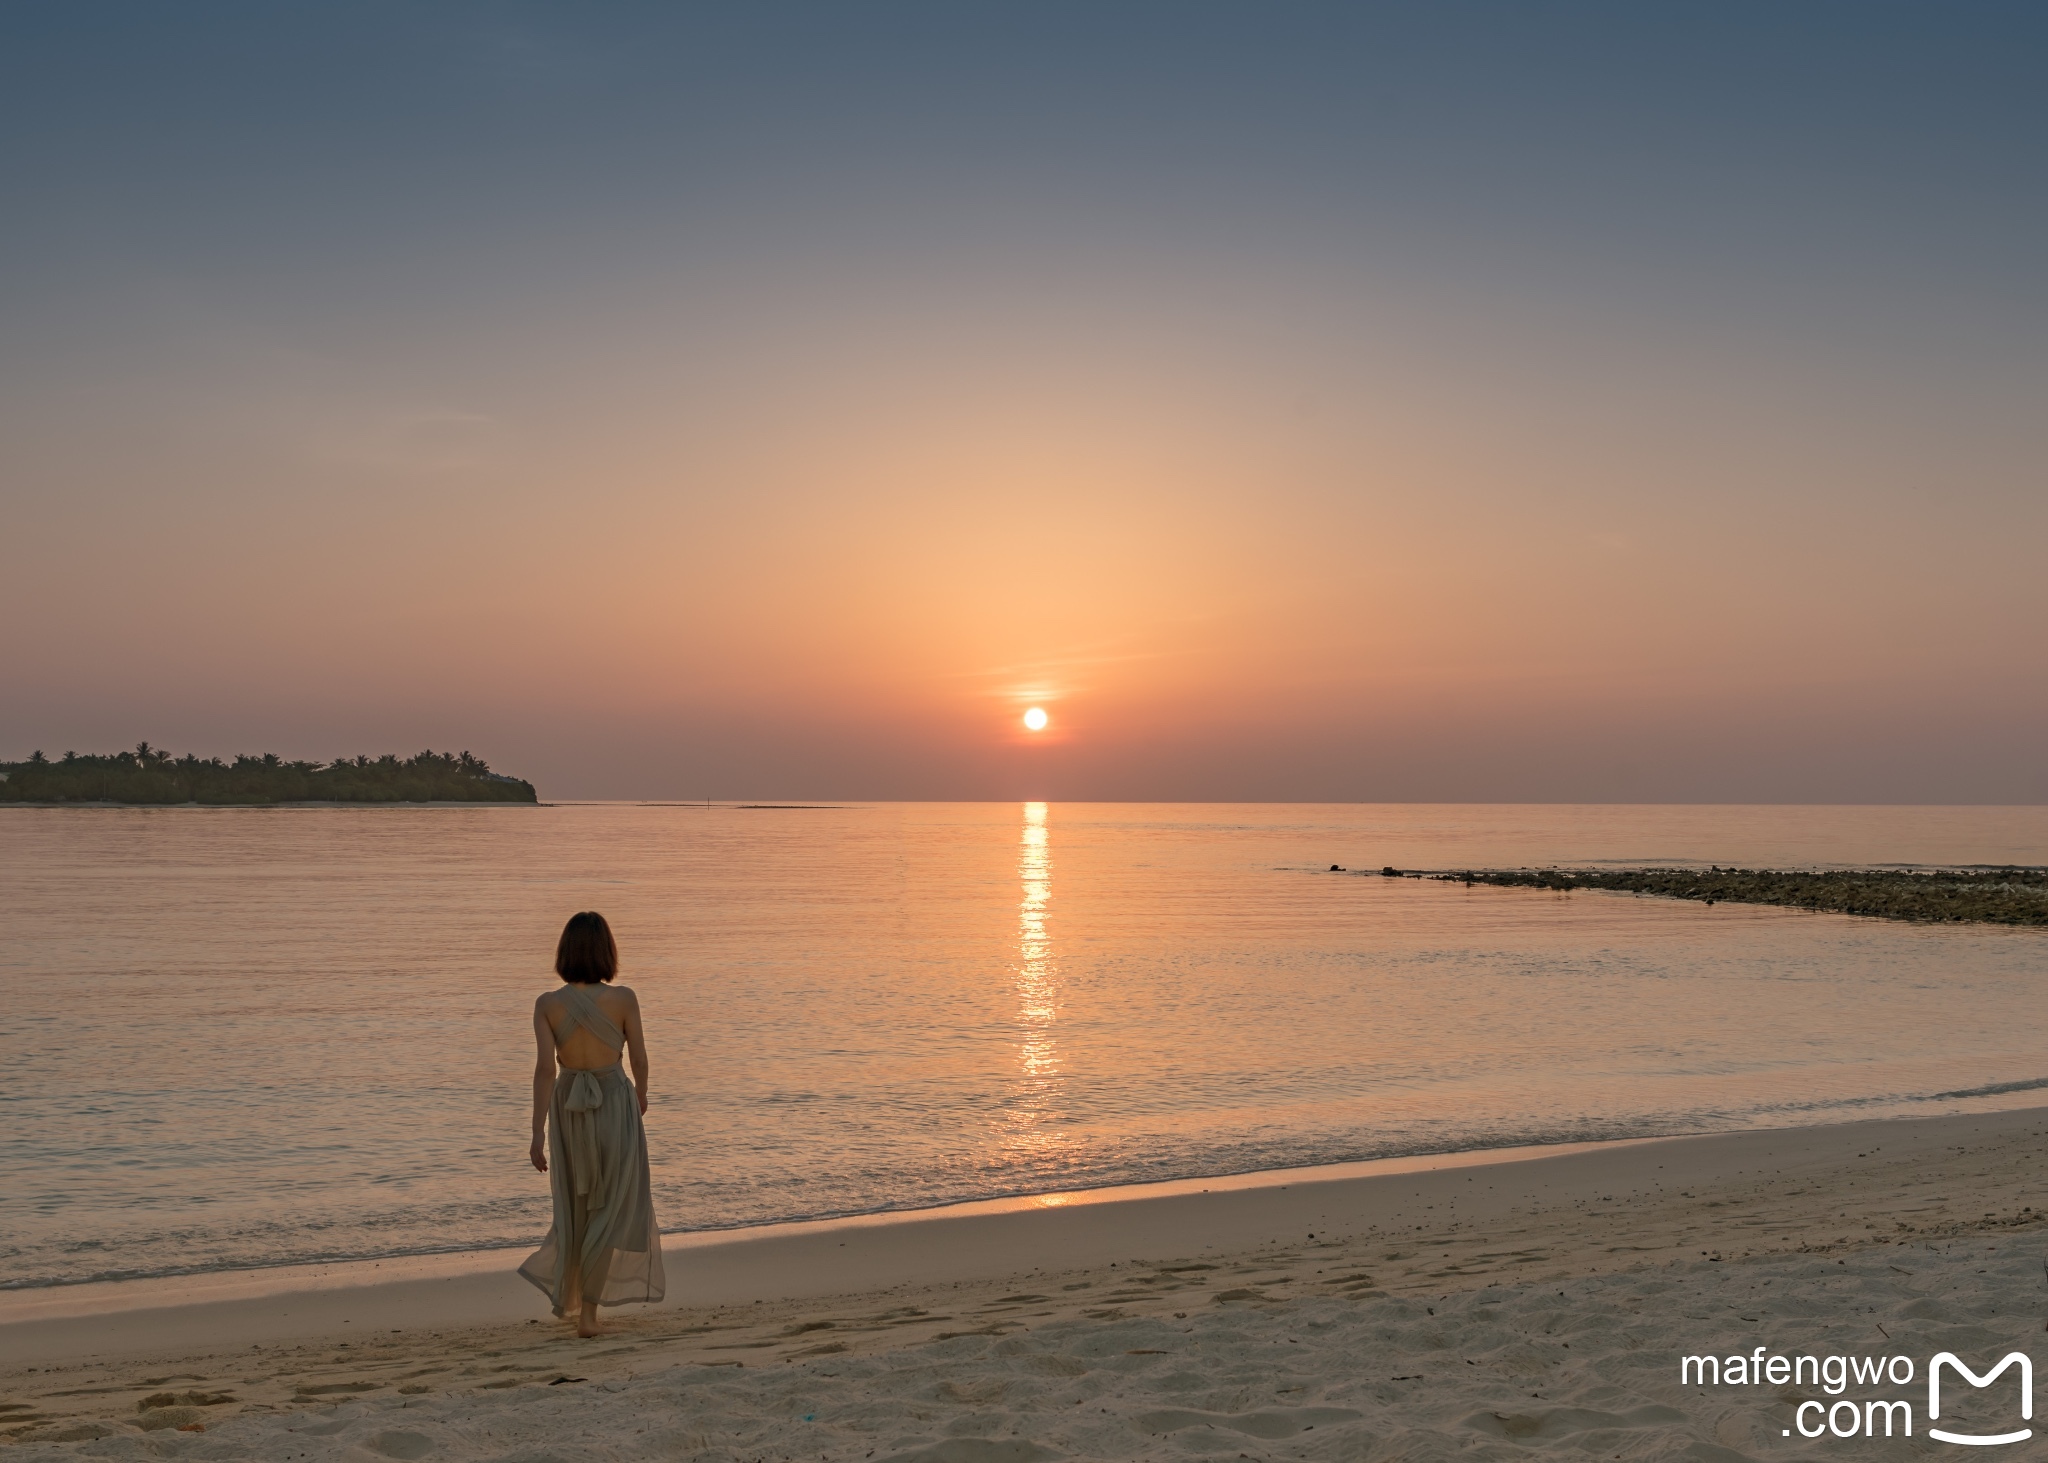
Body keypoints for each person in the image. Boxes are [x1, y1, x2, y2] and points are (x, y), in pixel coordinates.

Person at [517, 911, 666, 1335]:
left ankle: (576, 1303)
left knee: (576, 1207)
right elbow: (638, 1058)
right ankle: (589, 1315)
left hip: (568, 1111)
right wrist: (641, 1094)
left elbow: (546, 1070)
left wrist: (536, 1132)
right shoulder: (624, 999)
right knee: (612, 1205)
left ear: (564, 951)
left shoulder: (547, 1004)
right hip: (614, 1104)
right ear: (607, 952)